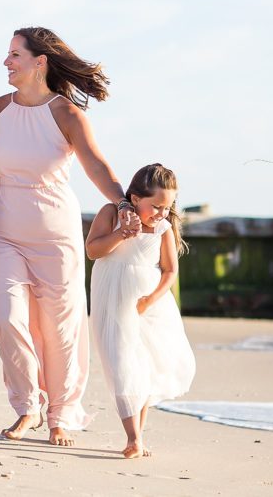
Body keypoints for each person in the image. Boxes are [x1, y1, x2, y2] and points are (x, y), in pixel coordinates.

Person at [0, 26, 134, 447]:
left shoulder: (66, 114)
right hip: (2, 230)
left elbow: (96, 166)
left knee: (60, 328)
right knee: (9, 319)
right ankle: (27, 406)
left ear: (39, 62)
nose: (6, 62)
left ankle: (61, 415)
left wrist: (122, 204)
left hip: (55, 234)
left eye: (14, 54)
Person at [86, 163, 196, 458]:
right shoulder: (111, 214)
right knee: (120, 361)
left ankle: (137, 438)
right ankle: (132, 436)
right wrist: (122, 234)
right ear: (135, 198)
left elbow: (170, 271)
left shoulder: (162, 229)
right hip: (112, 298)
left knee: (143, 367)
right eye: (157, 206)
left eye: (167, 207)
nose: (161, 213)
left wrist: (151, 300)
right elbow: (93, 250)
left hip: (148, 305)